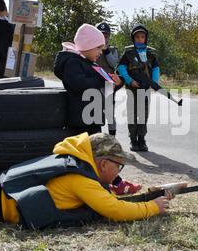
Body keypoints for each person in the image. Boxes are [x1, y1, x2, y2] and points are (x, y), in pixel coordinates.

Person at [0, 133, 173, 229]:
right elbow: (114, 210)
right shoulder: (82, 180)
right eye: (119, 165)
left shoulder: (77, 164)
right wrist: (152, 208)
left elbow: (109, 200)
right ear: (103, 163)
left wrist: (146, 196)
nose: (119, 171)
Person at [54, 24, 142, 195]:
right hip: (80, 119)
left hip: (93, 116)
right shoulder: (72, 62)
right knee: (88, 156)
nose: (101, 52)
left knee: (101, 153)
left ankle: (113, 182)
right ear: (86, 45)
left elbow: (103, 89)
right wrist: (102, 81)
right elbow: (78, 84)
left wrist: (116, 83)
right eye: (98, 47)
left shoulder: (89, 63)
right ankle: (101, 184)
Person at [118, 24, 161, 152]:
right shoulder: (128, 53)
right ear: (133, 38)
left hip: (145, 88)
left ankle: (141, 140)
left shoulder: (150, 53)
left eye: (142, 37)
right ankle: (133, 140)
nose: (140, 39)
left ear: (146, 38)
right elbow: (121, 68)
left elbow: (156, 69)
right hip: (132, 89)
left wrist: (154, 83)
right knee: (132, 114)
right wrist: (130, 81)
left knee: (143, 114)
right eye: (137, 37)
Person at [96, 22, 120, 136]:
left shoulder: (113, 50)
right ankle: (97, 138)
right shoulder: (91, 49)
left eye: (105, 35)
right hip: (94, 83)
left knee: (110, 113)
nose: (103, 38)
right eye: (100, 35)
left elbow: (114, 63)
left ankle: (112, 139)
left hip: (108, 84)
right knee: (96, 112)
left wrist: (105, 50)